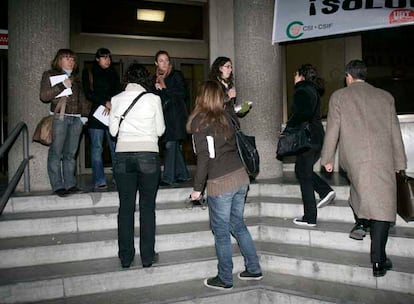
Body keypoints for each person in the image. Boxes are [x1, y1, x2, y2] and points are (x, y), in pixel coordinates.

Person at [320, 59, 407, 277]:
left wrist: (327, 158)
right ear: (364, 75)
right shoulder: (386, 97)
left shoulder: (339, 96)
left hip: (356, 160)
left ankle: (362, 224)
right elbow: (395, 132)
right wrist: (400, 163)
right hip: (384, 158)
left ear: (348, 77)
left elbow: (333, 129)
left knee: (363, 194)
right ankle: (378, 259)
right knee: (383, 207)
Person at [188, 80, 262, 290]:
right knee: (237, 224)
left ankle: (225, 278)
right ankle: (254, 268)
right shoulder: (227, 116)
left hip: (221, 182)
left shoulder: (200, 122)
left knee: (221, 233)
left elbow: (204, 158)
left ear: (202, 98)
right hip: (240, 177)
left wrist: (196, 189)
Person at [109, 63, 165, 268]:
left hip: (123, 155)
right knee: (147, 207)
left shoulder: (116, 99)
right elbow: (160, 130)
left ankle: (126, 257)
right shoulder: (153, 99)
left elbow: (113, 132)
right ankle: (148, 257)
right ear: (145, 80)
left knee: (125, 207)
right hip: (148, 155)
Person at [288, 64, 336, 227]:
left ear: (301, 76)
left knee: (303, 174)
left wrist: (288, 130)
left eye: (295, 74)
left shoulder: (301, 90)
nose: (293, 78)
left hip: (307, 138)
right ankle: (325, 191)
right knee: (302, 170)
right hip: (316, 136)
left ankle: (310, 217)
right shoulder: (313, 90)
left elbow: (302, 114)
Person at [40, 49, 89, 197]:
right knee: (56, 152)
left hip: (76, 119)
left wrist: (84, 117)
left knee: (70, 153)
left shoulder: (76, 78)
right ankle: (58, 186)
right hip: (60, 118)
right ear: (59, 60)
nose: (71, 61)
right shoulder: (49, 75)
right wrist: (62, 85)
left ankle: (70, 184)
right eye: (67, 58)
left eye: (73, 59)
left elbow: (84, 99)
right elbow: (44, 96)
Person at [82, 48, 122, 191]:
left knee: (115, 149)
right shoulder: (89, 72)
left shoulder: (113, 73)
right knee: (97, 148)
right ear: (97, 59)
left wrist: (112, 103)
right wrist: (104, 102)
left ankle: (118, 179)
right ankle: (99, 180)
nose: (108, 60)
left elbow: (119, 91)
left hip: (112, 114)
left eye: (109, 57)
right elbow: (88, 93)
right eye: (104, 57)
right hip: (96, 116)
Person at [152, 50, 190, 186]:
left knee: (170, 145)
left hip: (176, 117)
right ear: (156, 63)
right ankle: (183, 174)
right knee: (174, 147)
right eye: (161, 60)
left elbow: (183, 93)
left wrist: (164, 88)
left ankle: (168, 177)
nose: (164, 63)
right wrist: (157, 89)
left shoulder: (176, 75)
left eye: (167, 60)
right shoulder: (154, 78)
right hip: (163, 117)